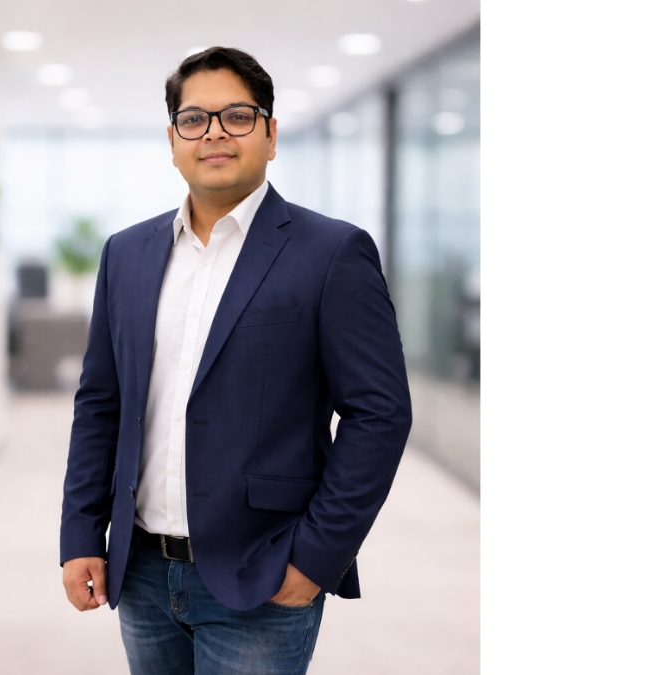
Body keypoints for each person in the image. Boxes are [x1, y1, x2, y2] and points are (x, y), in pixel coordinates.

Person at [59, 46, 412, 675]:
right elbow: (101, 403)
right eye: (194, 119)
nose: (215, 133)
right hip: (140, 573)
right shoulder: (126, 253)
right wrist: (81, 533)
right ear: (173, 141)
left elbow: (379, 414)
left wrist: (316, 557)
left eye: (238, 117)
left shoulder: (332, 252)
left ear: (270, 136)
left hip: (263, 572)